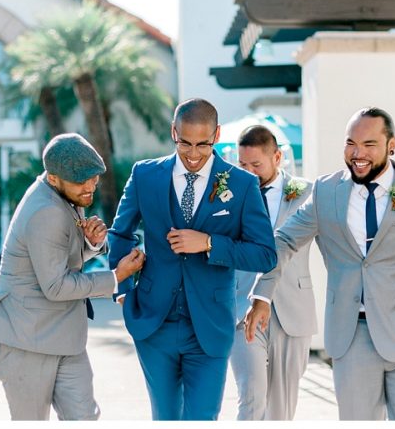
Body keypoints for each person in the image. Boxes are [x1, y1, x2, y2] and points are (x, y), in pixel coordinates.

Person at [246, 107, 395, 420]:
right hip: (350, 337)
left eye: (369, 144)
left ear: (392, 145)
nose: (358, 154)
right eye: (351, 143)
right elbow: (284, 240)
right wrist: (262, 295)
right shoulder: (326, 192)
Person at [108, 98, 277, 420]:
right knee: (165, 418)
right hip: (153, 323)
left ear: (217, 135)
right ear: (174, 132)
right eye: (185, 143)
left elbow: (265, 254)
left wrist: (210, 243)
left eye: (203, 144)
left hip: (210, 325)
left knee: (202, 418)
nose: (193, 154)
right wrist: (123, 289)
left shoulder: (242, 184)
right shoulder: (145, 175)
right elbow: (120, 233)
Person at [0, 133, 145, 420]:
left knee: (84, 418)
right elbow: (56, 285)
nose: (90, 188)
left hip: (66, 340)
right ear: (53, 178)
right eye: (82, 182)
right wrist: (115, 276)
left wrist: (91, 244)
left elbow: (56, 257)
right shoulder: (46, 211)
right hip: (26, 342)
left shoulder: (67, 193)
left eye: (94, 179)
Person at [230, 125, 316, 420]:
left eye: (256, 164)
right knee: (251, 397)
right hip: (243, 307)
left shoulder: (308, 192)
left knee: (281, 407)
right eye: (243, 165)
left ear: (277, 157)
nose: (249, 172)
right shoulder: (228, 195)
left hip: (293, 308)